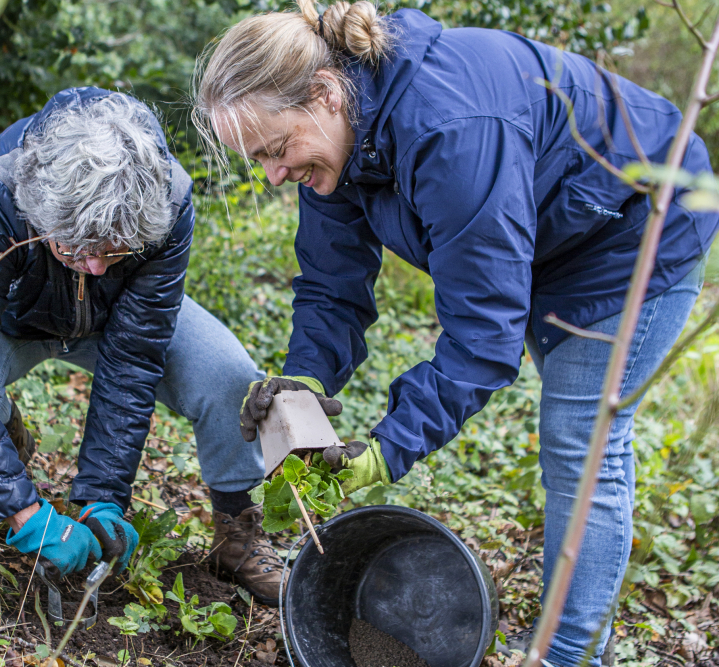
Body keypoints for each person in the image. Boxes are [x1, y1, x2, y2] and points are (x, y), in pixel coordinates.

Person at [195, 2, 718, 665]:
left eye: (275, 150)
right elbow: (331, 283)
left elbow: (483, 339)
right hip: (547, 241)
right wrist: (305, 377)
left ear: (324, 95)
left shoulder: (451, 127)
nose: (273, 174)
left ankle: (570, 653)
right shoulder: (342, 130)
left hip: (636, 225)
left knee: (581, 439)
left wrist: (386, 450)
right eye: (259, 160)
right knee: (571, 430)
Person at [0, 88, 285, 604]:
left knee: (229, 376)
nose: (99, 266)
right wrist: (24, 512)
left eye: (117, 250)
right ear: (40, 211)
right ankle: (3, 446)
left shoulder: (167, 198)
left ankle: (238, 534)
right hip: (15, 319)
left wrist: (102, 499)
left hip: (111, 320)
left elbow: (134, 356)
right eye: (79, 248)